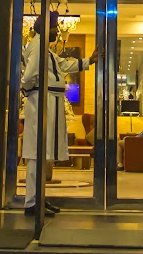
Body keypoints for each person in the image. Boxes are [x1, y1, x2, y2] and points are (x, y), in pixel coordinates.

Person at [20, 13, 97, 215]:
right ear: (45, 29)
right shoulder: (38, 46)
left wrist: (89, 61)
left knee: (42, 152)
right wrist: (28, 90)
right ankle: (32, 203)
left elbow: (62, 65)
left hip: (48, 101)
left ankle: (38, 198)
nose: (57, 32)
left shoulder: (44, 49)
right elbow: (29, 75)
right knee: (36, 152)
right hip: (42, 101)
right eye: (54, 28)